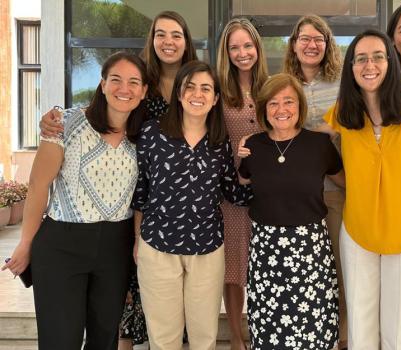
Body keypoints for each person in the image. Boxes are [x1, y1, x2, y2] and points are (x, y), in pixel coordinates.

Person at [38, 11, 198, 348]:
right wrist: (58, 118)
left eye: (176, 35)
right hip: (136, 207)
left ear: (187, 42)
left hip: (174, 209)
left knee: (122, 307)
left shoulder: (194, 86)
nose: (168, 41)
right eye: (161, 34)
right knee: (125, 304)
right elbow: (104, 111)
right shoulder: (139, 83)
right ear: (151, 41)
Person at [1, 51, 148, 349]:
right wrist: (26, 243)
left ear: (144, 91)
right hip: (62, 244)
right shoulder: (65, 123)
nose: (125, 89)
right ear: (103, 84)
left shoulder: (144, 134)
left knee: (104, 339)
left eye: (134, 82)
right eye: (116, 80)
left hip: (115, 247)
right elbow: (39, 185)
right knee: (60, 340)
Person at [321, 28, 401, 349]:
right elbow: (310, 148)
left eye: (377, 56)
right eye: (360, 58)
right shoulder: (342, 113)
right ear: (351, 67)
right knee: (360, 320)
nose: (369, 64)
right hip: (359, 229)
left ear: (390, 62)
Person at [132, 60, 252, 350]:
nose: (197, 94)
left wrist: (253, 162)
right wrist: (137, 241)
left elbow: (233, 193)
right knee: (163, 339)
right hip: (157, 248)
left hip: (207, 250)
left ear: (215, 99)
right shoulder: (152, 134)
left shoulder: (219, 141)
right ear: (179, 93)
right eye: (190, 87)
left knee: (204, 337)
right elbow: (140, 193)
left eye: (206, 89)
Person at [237, 73, 344, 350]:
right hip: (266, 252)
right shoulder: (253, 146)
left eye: (288, 101)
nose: (281, 109)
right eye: (273, 103)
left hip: (310, 251)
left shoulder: (319, 145)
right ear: (264, 109)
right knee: (270, 330)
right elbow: (243, 178)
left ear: (299, 107)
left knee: (313, 329)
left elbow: (346, 181)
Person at [283, 15, 348, 348]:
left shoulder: (343, 83)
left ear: (328, 44)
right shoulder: (282, 83)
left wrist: (334, 129)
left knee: (339, 270)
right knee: (304, 276)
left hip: (334, 190)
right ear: (294, 44)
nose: (311, 45)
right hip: (294, 196)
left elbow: (355, 124)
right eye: (304, 38)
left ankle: (343, 339)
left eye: (318, 39)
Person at [216, 17, 268, 350]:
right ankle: (237, 336)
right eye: (234, 47)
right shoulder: (219, 90)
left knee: (262, 265)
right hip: (232, 190)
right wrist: (233, 149)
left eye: (247, 45)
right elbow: (210, 138)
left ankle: (263, 332)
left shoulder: (272, 85)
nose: (242, 52)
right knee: (233, 270)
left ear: (257, 48)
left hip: (269, 187)